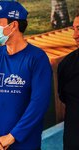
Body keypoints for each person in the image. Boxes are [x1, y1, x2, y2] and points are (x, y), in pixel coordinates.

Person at [0, 1, 52, 150]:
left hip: (25, 144)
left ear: (14, 25)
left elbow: (39, 103)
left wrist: (11, 137)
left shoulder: (37, 58)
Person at [57, 10, 79, 150]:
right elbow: (63, 97)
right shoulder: (66, 65)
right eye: (74, 29)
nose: (75, 35)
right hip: (74, 140)